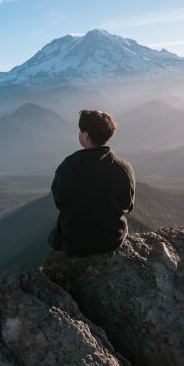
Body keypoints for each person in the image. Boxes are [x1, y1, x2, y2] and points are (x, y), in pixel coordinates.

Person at [49, 109, 135, 257]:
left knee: (54, 234)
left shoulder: (67, 168)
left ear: (86, 135)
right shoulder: (124, 169)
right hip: (111, 241)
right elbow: (127, 206)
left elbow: (59, 202)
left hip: (73, 243)